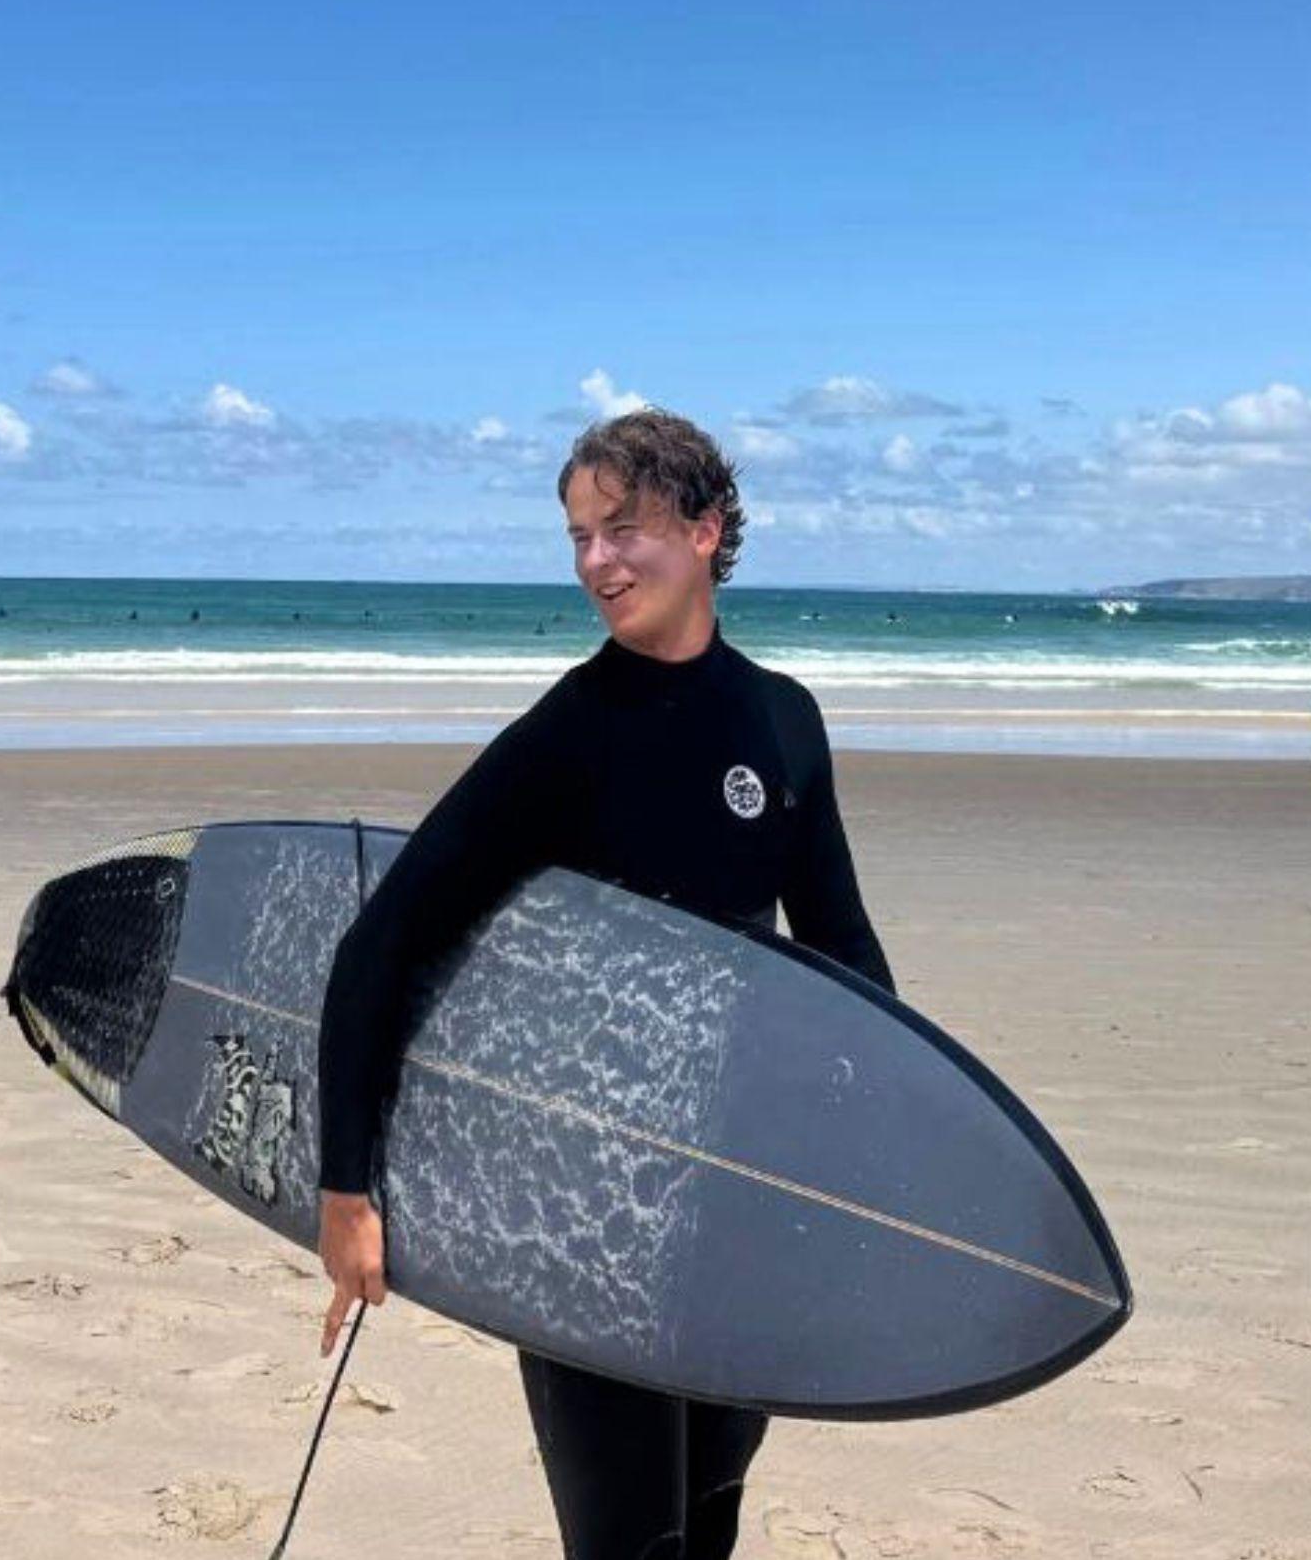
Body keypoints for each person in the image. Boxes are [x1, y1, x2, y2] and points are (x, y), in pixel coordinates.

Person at [315, 409, 892, 1560]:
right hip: (589, 1216)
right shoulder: (570, 735)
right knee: (630, 1545)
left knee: (713, 1517)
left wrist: (893, 1139)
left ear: (705, 529)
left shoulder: (783, 720)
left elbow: (845, 955)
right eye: (579, 537)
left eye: (622, 530)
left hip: (736, 1197)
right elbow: (382, 944)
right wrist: (348, 1193)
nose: (596, 563)